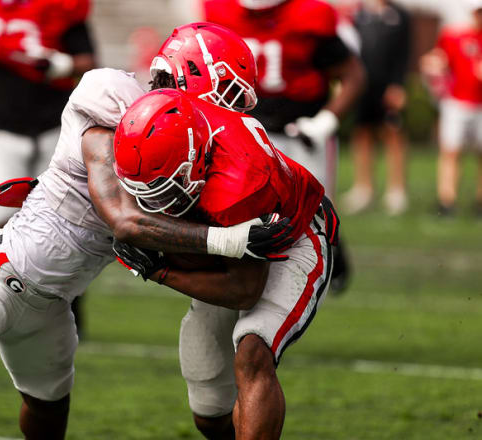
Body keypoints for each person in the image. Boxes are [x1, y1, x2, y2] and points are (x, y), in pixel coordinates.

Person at [0, 61, 296, 438]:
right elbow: (125, 222)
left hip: (53, 305)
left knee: (47, 414)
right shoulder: (108, 112)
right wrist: (230, 239)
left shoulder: (176, 146)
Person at [112, 88, 338, 440]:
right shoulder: (166, 117)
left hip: (293, 236)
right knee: (208, 410)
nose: (154, 203)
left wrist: (160, 271)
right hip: (224, 235)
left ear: (197, 160)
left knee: (253, 350)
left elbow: (244, 290)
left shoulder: (239, 185)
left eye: (164, 189)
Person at [200, 0, 365, 293]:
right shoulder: (220, 11)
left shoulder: (310, 16)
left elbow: (353, 75)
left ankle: (331, 255)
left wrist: (325, 121)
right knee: (239, 210)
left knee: (317, 211)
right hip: (245, 131)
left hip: (302, 131)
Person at [0, 0, 97, 234]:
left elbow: (89, 61)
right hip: (1, 127)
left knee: (62, 226)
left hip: (55, 130)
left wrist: (63, 63)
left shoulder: (60, 6)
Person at [341, 0, 411, 216]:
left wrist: (398, 84)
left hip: (388, 85)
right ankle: (363, 188)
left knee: (392, 134)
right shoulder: (357, 13)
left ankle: (396, 190)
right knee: (362, 134)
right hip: (362, 85)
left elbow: (405, 53)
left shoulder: (399, 15)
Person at [421, 0, 482, 217]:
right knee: (451, 151)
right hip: (457, 102)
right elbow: (440, 61)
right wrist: (432, 66)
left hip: (480, 104)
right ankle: (447, 199)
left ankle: (479, 200)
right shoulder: (454, 36)